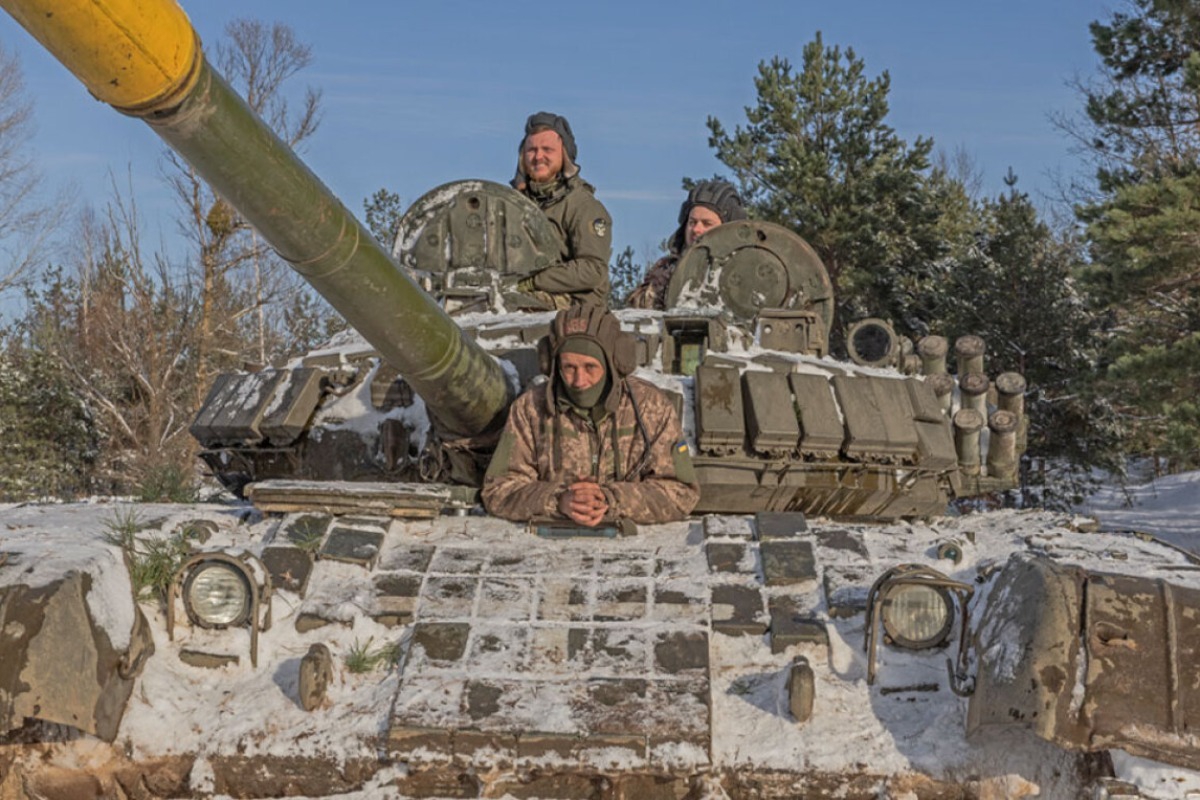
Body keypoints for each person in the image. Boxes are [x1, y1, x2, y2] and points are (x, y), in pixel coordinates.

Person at [482, 304, 699, 526]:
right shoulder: (530, 409)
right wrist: (558, 501)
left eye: (590, 367)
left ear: (613, 363)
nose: (579, 381)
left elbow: (681, 492)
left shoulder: (651, 407)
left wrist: (611, 500)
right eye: (569, 367)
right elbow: (498, 489)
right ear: (552, 364)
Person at [510, 111, 612, 309]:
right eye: (532, 150)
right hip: (518, 298)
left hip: (574, 309)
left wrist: (533, 281)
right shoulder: (513, 204)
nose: (538, 156)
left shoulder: (583, 206)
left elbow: (592, 270)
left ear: (564, 155)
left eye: (547, 149)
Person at [626, 179, 747, 310]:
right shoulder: (664, 272)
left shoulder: (746, 274)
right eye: (692, 222)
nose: (696, 229)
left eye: (707, 224)